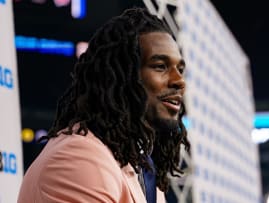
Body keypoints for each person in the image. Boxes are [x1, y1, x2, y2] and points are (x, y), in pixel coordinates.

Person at [17, 7, 190, 203]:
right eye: (160, 66)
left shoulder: (141, 165)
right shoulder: (79, 159)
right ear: (122, 75)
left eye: (180, 69)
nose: (179, 81)